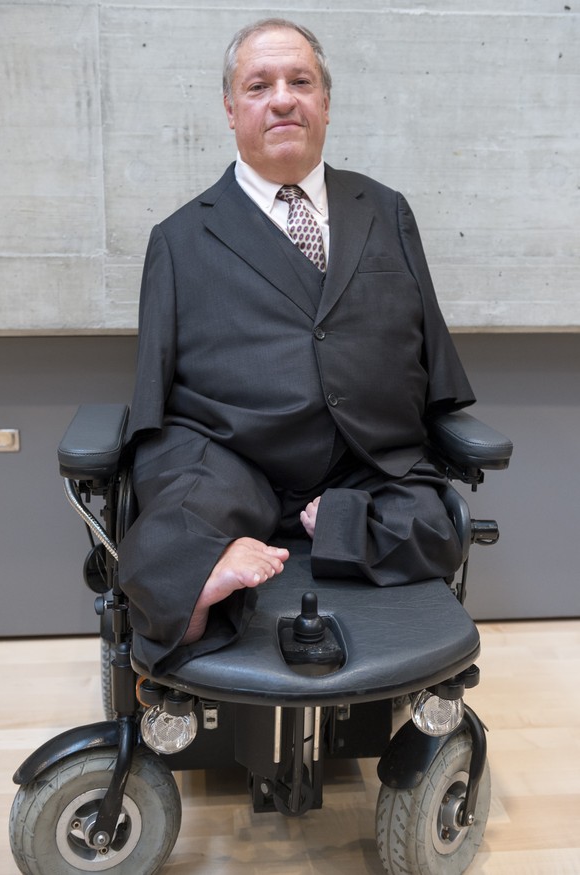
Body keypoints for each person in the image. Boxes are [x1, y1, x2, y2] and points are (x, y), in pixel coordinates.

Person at [119, 18, 475, 675]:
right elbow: (152, 400)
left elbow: (435, 364)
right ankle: (200, 587)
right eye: (259, 85)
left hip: (368, 461)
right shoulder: (178, 238)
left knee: (431, 521)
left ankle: (336, 521)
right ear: (231, 111)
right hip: (233, 457)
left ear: (326, 104)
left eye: (300, 82)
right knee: (179, 510)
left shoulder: (386, 209)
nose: (283, 98)